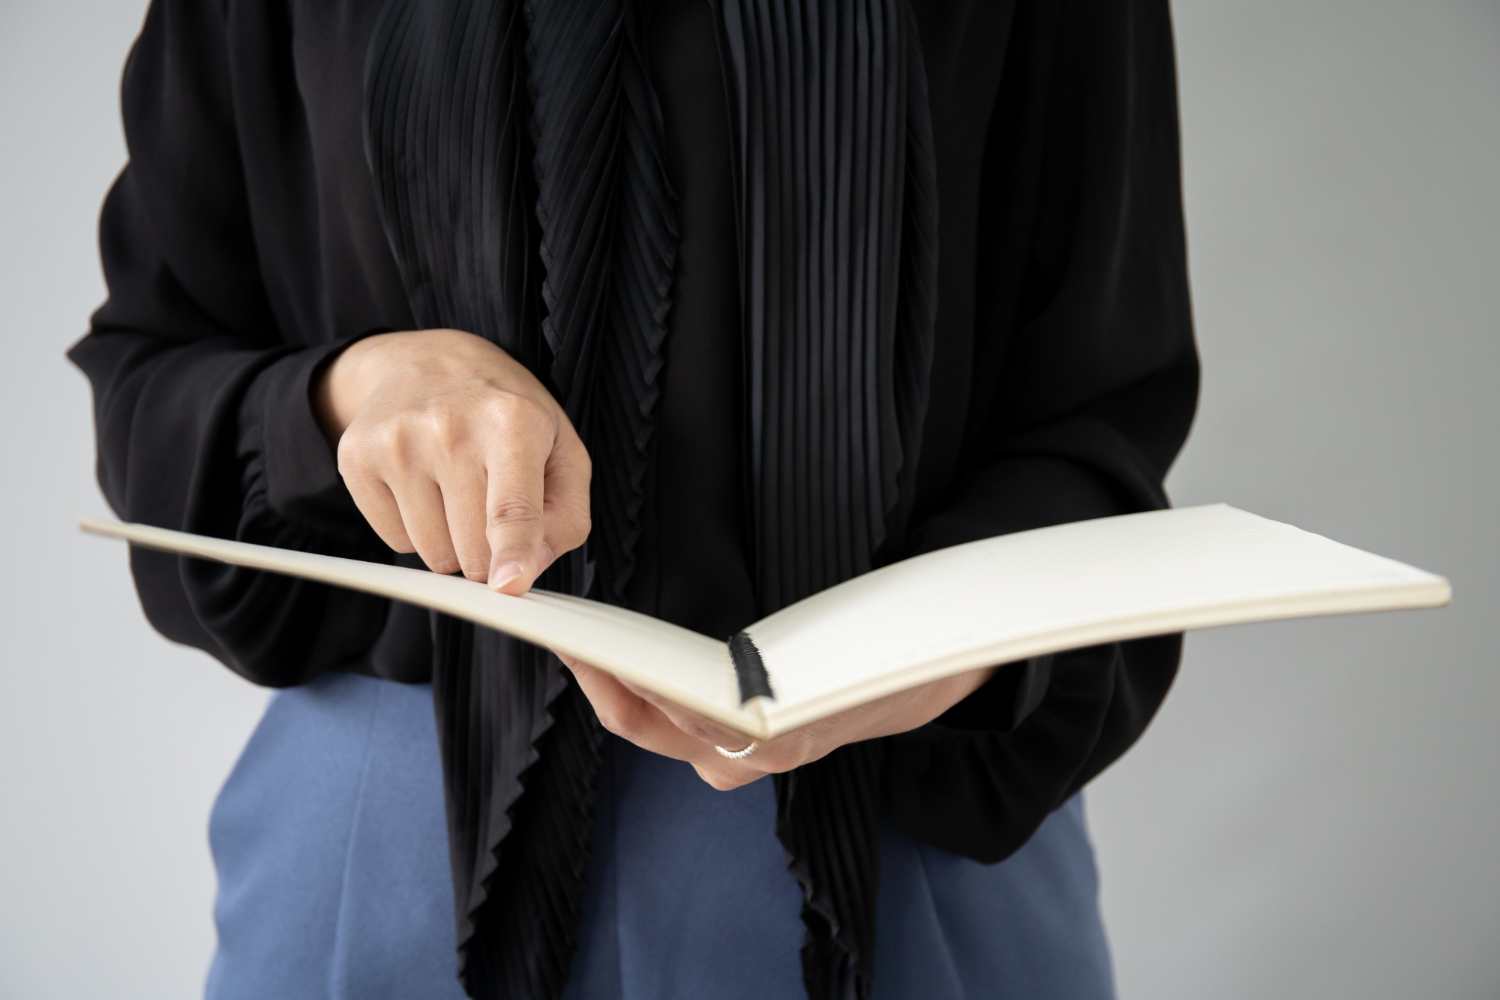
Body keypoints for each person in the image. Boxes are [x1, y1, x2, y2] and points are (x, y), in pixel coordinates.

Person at [71, 0, 1198, 997]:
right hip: (385, 850)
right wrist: (349, 394)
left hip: (906, 838)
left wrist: (953, 655)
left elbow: (1101, 409)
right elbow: (152, 377)